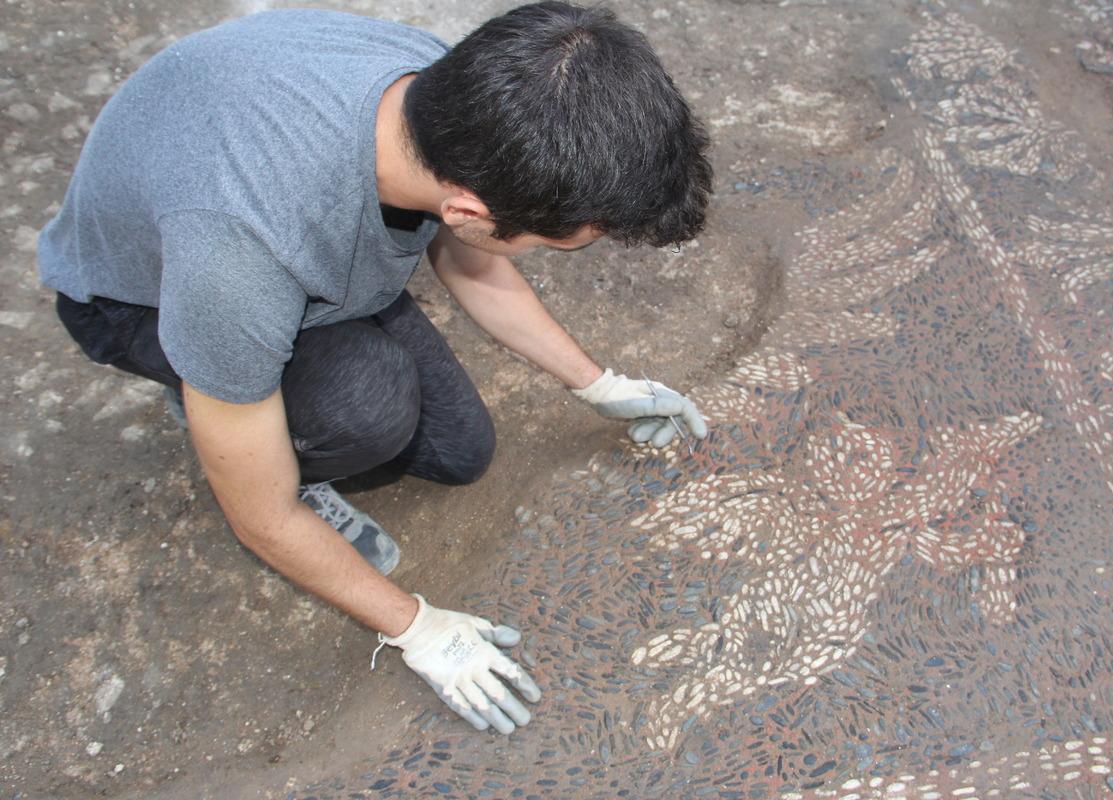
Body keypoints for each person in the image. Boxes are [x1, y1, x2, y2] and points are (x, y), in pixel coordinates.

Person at [38, 2, 712, 735]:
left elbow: (465, 252)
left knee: (460, 453)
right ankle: (212, 398)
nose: (558, 253)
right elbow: (260, 518)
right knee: (368, 408)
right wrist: (417, 628)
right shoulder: (237, 262)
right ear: (466, 209)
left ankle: (255, 384)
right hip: (143, 296)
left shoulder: (444, 86)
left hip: (269, 221)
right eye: (563, 245)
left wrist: (597, 382)